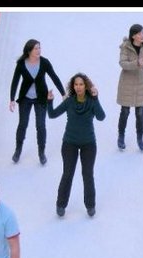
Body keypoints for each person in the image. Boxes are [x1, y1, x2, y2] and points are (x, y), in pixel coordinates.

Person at [47, 73, 106, 218]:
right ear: (73, 86)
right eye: (76, 84)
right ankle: (61, 204)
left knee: (87, 175)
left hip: (88, 144)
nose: (78, 87)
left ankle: (90, 205)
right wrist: (49, 101)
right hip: (70, 143)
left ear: (86, 86)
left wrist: (96, 98)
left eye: (81, 84)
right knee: (68, 174)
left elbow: (101, 117)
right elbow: (52, 114)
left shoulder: (92, 102)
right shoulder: (69, 102)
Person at [9, 39, 66, 164]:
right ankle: (18, 150)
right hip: (25, 98)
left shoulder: (44, 62)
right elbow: (15, 81)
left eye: (39, 48)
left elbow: (54, 77)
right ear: (29, 50)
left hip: (41, 98)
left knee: (40, 126)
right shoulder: (21, 64)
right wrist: (12, 99)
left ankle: (41, 152)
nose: (39, 50)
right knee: (22, 124)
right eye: (36, 48)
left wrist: (63, 93)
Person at [116, 24, 143, 152]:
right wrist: (136, 63)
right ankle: (121, 137)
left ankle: (140, 139)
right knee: (125, 111)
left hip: (141, 84)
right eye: (140, 33)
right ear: (133, 35)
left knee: (140, 113)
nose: (142, 35)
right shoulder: (125, 47)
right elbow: (122, 63)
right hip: (126, 84)